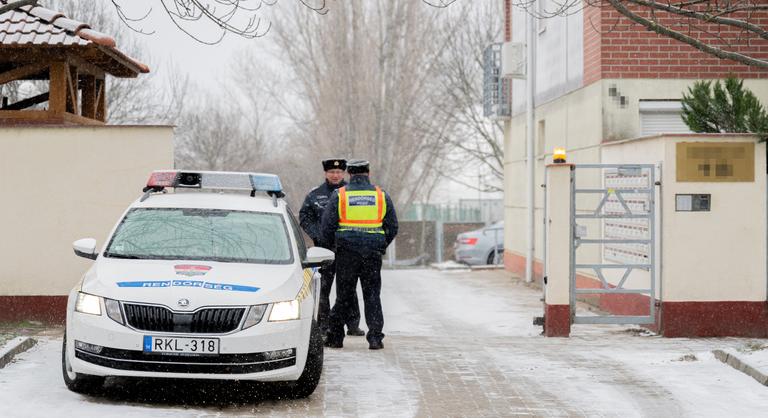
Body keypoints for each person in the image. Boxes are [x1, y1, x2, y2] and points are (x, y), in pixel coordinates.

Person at [320, 159, 398, 350]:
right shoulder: (381, 195)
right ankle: (375, 338)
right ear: (368, 173)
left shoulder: (340, 195)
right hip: (372, 253)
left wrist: (333, 248)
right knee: (372, 295)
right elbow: (392, 226)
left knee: (344, 295)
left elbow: (327, 227)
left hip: (346, 253)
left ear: (349, 174)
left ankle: (335, 337)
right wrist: (380, 245)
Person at [299, 158, 365, 337]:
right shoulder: (315, 194)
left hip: (346, 248)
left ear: (344, 173)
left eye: (338, 172)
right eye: (332, 172)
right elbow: (304, 217)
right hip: (324, 250)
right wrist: (317, 235)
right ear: (326, 173)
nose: (335, 175)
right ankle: (323, 325)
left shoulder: (351, 193)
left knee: (348, 288)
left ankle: (352, 324)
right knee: (323, 288)